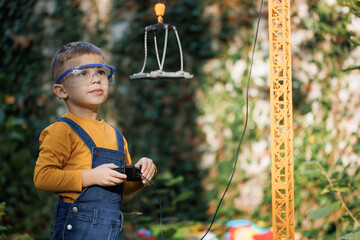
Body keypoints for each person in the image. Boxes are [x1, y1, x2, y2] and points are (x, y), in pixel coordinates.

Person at [33, 41, 157, 240]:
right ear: (61, 90)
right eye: (82, 73)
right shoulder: (62, 130)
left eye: (100, 72)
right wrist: (90, 177)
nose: (96, 79)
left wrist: (141, 175)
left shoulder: (116, 136)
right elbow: (42, 177)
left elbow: (123, 188)